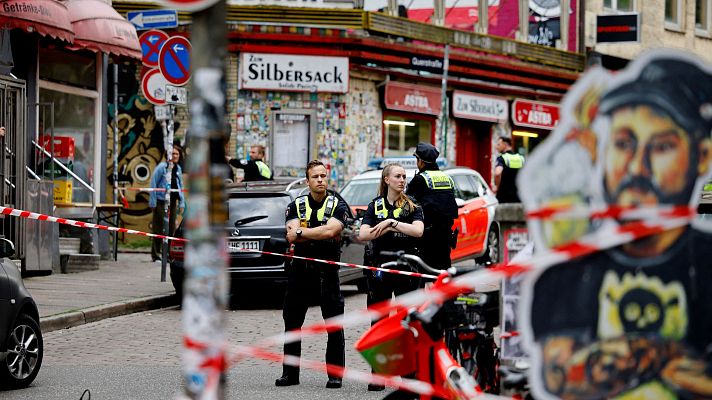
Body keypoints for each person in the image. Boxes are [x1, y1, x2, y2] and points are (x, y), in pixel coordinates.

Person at [526, 53, 712, 399]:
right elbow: (558, 374)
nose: (637, 168)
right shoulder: (571, 271)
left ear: (702, 155)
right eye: (624, 143)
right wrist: (665, 357)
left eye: (661, 147)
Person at [277, 159, 350, 389]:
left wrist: (302, 232)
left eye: (323, 176)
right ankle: (290, 374)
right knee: (292, 323)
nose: (320, 180)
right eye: (315, 177)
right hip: (300, 271)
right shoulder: (296, 204)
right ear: (307, 181)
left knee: (334, 324)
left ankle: (335, 375)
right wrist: (305, 232)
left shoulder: (338, 203)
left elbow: (331, 231)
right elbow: (291, 236)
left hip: (327, 272)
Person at [358, 163, 424, 391]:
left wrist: (390, 223)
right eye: (397, 176)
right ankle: (378, 375)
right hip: (380, 272)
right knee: (379, 323)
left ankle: (409, 377)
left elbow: (418, 231)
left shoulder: (413, 206)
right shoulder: (374, 206)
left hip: (407, 272)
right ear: (386, 179)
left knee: (408, 323)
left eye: (404, 176)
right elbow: (363, 234)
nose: (402, 180)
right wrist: (383, 226)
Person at [405, 142, 458, 270]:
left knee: (424, 272)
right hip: (445, 235)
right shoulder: (447, 178)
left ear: (421, 162)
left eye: (417, 159)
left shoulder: (420, 179)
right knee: (443, 271)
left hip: (427, 236)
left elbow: (407, 203)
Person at [149, 147, 185, 262]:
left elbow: (180, 185)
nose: (175, 156)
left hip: (173, 201)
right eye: (173, 154)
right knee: (159, 228)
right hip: (161, 201)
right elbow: (153, 183)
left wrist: (182, 202)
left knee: (171, 229)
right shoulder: (161, 167)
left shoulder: (178, 168)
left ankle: (169, 254)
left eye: (177, 154)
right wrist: (153, 201)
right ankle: (156, 254)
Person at [493, 136, 525, 203]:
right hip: (519, 195)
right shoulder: (521, 158)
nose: (496, 147)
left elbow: (497, 173)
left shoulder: (502, 158)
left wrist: (497, 186)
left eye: (499, 144)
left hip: (504, 197)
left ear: (505, 144)